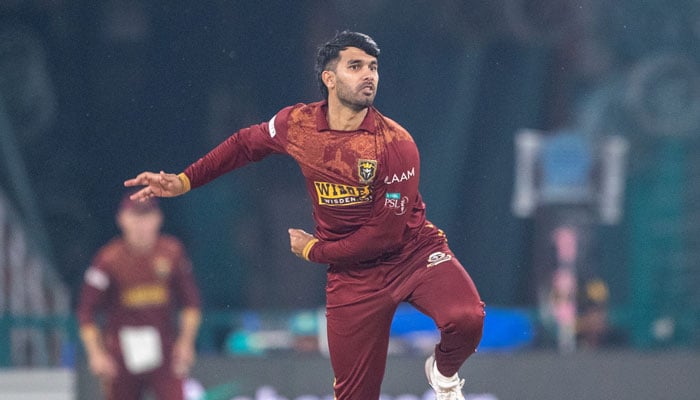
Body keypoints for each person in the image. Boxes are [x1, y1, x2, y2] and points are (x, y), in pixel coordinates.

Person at [125, 31, 485, 400]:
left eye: (373, 67)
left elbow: (385, 235)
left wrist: (315, 250)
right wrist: (184, 180)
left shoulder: (395, 144)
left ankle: (443, 374)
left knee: (468, 318)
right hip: (353, 276)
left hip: (411, 254)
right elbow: (245, 144)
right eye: (355, 66)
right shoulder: (298, 125)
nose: (369, 75)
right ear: (329, 78)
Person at [76, 193, 202, 400]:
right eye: (135, 216)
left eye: (146, 216)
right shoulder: (108, 260)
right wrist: (96, 354)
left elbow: (191, 303)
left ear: (158, 218)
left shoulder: (172, 253)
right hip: (120, 352)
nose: (141, 225)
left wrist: (186, 343)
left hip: (164, 349)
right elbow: (86, 312)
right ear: (122, 219)